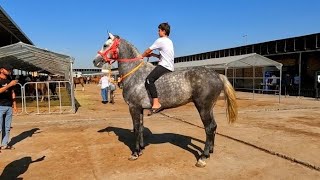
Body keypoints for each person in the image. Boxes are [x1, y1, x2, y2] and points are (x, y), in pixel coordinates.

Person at [139, 22, 174, 114]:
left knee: (149, 80)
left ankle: (156, 103)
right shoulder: (169, 41)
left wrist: (141, 57)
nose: (158, 32)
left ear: (164, 31)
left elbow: (147, 50)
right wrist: (153, 55)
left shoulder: (160, 40)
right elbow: (161, 56)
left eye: (159, 31)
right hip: (169, 66)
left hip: (164, 66)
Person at [0, 64, 18, 152]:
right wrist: (9, 85)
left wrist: (14, 105)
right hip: (0, 106)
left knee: (7, 127)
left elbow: (12, 92)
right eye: (8, 70)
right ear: (2, 70)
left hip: (8, 106)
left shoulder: (9, 79)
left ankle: (4, 144)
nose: (10, 71)